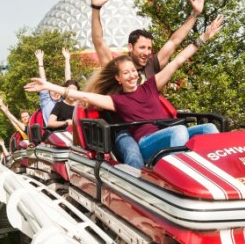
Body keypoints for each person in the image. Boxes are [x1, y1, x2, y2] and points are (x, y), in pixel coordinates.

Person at [25, 15, 225, 165]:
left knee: (210, 128)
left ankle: (216, 172)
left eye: (133, 72)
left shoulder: (151, 85)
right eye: (126, 73)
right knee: (180, 131)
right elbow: (81, 94)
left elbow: (178, 59)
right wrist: (49, 86)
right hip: (146, 141)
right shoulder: (117, 100)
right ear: (118, 78)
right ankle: (177, 178)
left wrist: (204, 37)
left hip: (166, 133)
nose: (132, 75)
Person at [90, 0, 208, 166]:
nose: (146, 53)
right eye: (142, 48)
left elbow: (174, 42)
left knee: (204, 128)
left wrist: (195, 14)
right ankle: (135, 186)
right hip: (125, 128)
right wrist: (95, 9)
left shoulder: (152, 64)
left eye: (149, 48)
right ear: (130, 47)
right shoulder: (118, 67)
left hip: (152, 126)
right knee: (133, 154)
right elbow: (99, 41)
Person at [35, 48, 72, 123]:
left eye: (57, 90)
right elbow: (43, 81)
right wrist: (40, 60)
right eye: (53, 91)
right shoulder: (46, 101)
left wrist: (67, 59)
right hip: (53, 132)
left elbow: (69, 82)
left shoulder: (64, 101)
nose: (56, 92)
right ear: (48, 92)